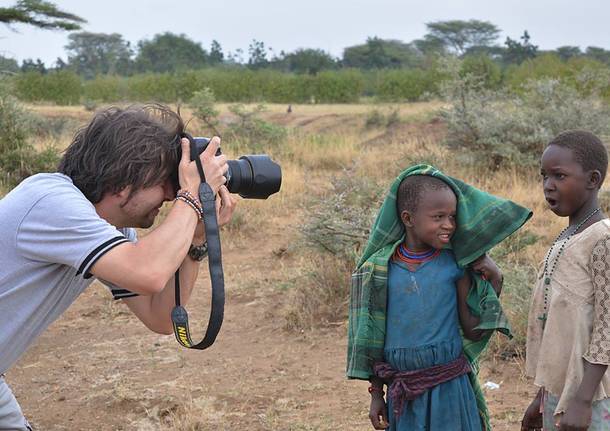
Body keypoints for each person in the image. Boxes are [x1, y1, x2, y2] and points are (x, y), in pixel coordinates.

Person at [0, 104, 237, 430]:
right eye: (164, 181)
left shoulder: (110, 229)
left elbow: (161, 316)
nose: (171, 194)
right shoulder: (50, 200)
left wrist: (195, 241)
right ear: (123, 181)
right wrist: (194, 196)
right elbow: (149, 273)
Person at [347, 164, 532, 431]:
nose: (449, 225)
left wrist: (495, 280)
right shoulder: (378, 270)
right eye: (438, 217)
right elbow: (373, 339)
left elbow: (473, 330)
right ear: (408, 219)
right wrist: (377, 394)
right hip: (405, 394)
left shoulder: (455, 265)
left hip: (451, 390)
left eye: (453, 217)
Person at [521, 130, 610, 431]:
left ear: (593, 180)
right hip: (561, 394)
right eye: (544, 176)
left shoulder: (602, 240)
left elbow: (607, 326)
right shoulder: (567, 236)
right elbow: (559, 332)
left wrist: (583, 401)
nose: (548, 186)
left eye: (559, 176)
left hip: (592, 396)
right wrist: (541, 397)